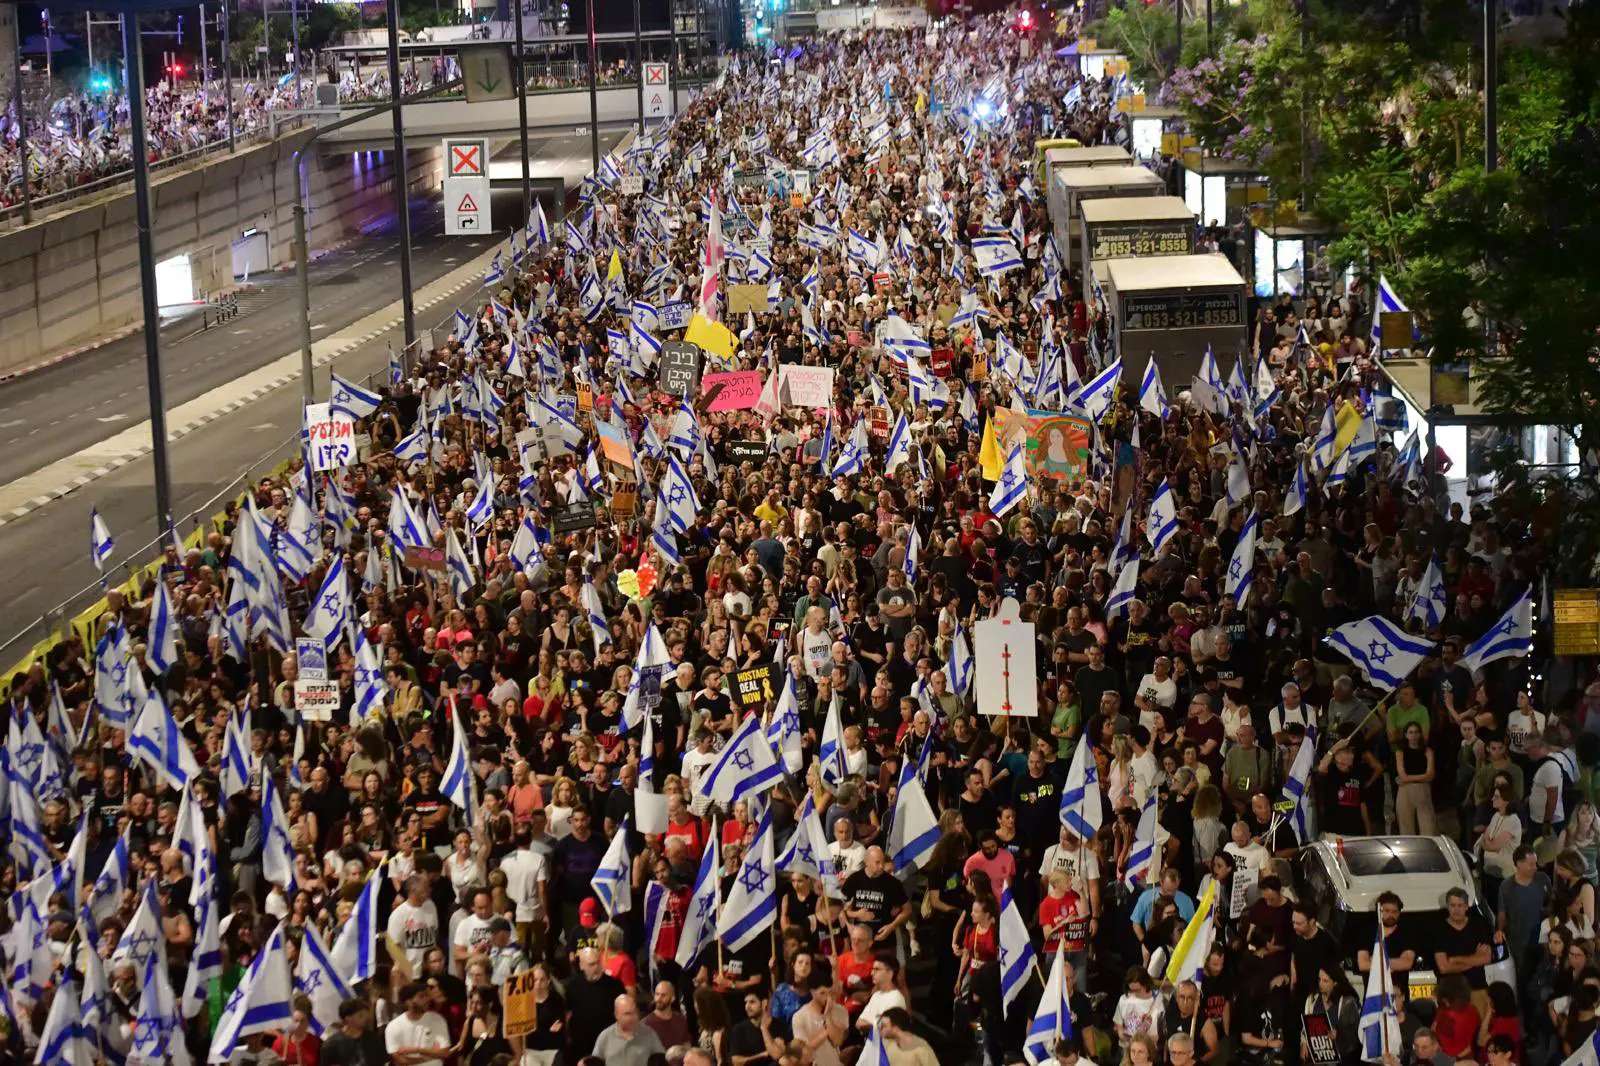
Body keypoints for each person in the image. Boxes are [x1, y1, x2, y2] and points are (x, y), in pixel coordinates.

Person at [384, 982, 452, 1066]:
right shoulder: (393, 1026)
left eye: (427, 995)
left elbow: (444, 1053)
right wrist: (432, 1055)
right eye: (421, 996)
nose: (427, 999)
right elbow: (400, 1061)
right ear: (408, 1002)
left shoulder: (438, 1020)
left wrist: (414, 1050)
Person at [591, 994, 667, 1066]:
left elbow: (662, 1061)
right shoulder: (605, 1037)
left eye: (634, 1012)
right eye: (627, 1014)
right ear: (616, 1015)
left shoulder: (649, 1034)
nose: (632, 1017)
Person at [320, 997, 387, 1066]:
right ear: (348, 1019)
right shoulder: (331, 1045)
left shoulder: (372, 1038)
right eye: (361, 1015)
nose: (366, 1018)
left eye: (366, 1015)